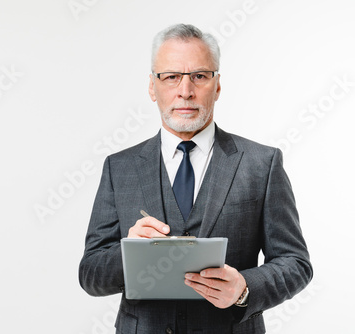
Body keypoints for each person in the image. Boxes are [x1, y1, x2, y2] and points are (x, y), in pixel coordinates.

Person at [78, 23, 313, 334]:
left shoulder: (262, 164)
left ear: (216, 85)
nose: (185, 91)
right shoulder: (119, 168)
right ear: (152, 86)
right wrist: (129, 252)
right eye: (171, 76)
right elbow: (90, 275)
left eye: (199, 76)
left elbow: (295, 264)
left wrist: (244, 289)